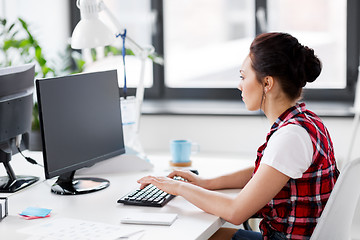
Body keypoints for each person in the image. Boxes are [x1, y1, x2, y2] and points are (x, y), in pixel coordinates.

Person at [137, 32, 340, 240]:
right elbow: (269, 171)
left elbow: (236, 212)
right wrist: (207, 183)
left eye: (243, 77)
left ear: (267, 83)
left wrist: (176, 187)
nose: (239, 85)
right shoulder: (305, 121)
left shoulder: (291, 136)